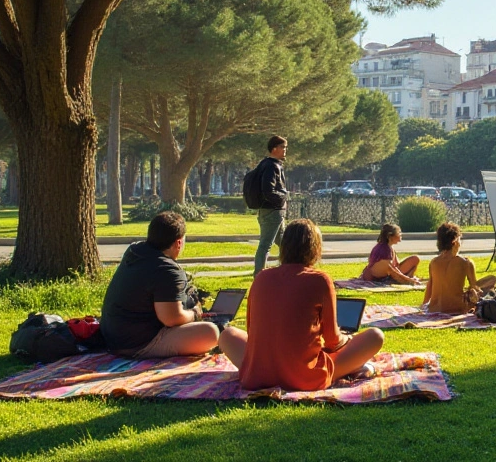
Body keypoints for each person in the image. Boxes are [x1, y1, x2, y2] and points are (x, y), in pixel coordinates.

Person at [231, 218, 385, 391]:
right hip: (303, 378)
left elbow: (252, 332)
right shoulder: (320, 280)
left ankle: (273, 370)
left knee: (227, 335)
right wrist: (348, 340)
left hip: (256, 376)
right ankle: (347, 369)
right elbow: (333, 341)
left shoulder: (261, 277)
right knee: (375, 336)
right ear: (315, 248)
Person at [100, 211, 246, 358]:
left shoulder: (135, 251)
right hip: (137, 344)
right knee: (211, 332)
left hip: (111, 336)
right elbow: (172, 318)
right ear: (178, 243)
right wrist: (196, 313)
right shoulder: (167, 270)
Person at [421, 222, 496, 314]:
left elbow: (430, 286)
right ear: (455, 241)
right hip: (455, 308)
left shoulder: (433, 262)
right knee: (492, 281)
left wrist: (423, 306)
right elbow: (475, 286)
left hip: (434, 309)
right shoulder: (466, 263)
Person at [253, 135, 289, 274]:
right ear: (274, 149)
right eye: (283, 147)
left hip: (270, 210)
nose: (285, 150)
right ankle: (258, 275)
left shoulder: (266, 164)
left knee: (285, 243)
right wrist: (283, 197)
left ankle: (289, 269)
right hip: (272, 211)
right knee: (265, 245)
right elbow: (268, 190)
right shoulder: (271, 166)